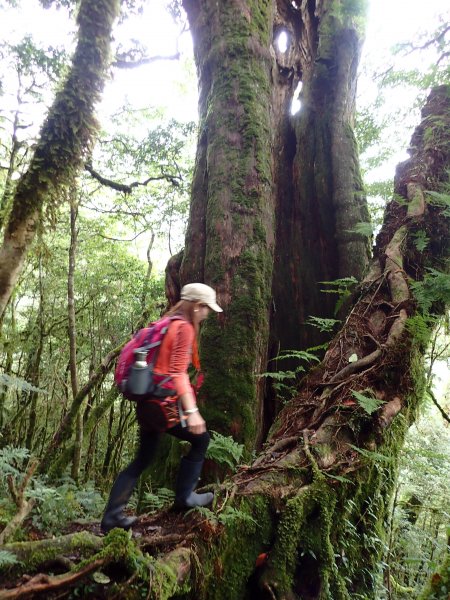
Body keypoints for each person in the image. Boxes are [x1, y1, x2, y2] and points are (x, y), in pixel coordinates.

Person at [101, 282, 222, 533]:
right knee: (201, 439)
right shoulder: (185, 328)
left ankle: (112, 516)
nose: (208, 313)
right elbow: (178, 373)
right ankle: (185, 497)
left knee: (143, 459)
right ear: (197, 306)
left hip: (147, 402)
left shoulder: (168, 321)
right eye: (207, 308)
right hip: (160, 405)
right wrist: (192, 412)